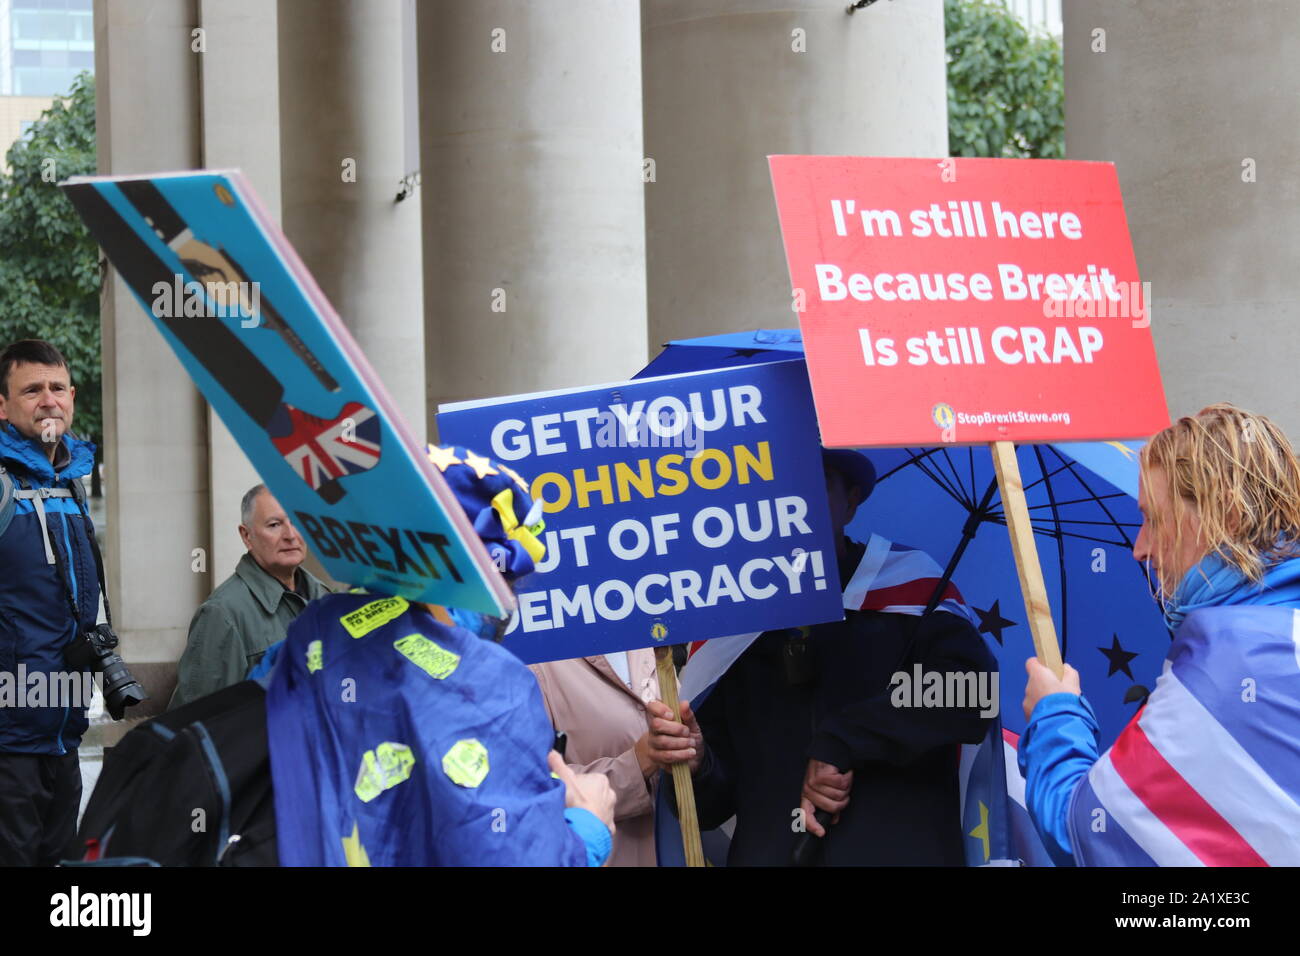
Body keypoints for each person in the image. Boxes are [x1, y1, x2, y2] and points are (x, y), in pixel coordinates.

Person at [263, 445, 617, 866]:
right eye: (512, 579)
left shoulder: (302, 641)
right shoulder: (491, 684)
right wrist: (590, 824)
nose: (513, 600)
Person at [647, 449, 996, 865]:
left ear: (850, 502)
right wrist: (698, 763)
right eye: (780, 483)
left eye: (815, 482)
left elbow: (972, 693)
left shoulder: (915, 589)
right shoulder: (730, 616)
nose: (795, 500)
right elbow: (707, 809)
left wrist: (844, 740)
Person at [1020, 403, 1300, 866]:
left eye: (1154, 518)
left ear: (1226, 515)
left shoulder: (1233, 656)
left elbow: (1089, 838)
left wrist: (1053, 717)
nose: (1139, 548)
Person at [0, 340, 101, 865]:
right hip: (9, 741)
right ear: (3, 405)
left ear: (72, 397)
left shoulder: (71, 486)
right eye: (31, 389)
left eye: (57, 388)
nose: (48, 400)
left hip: (64, 730)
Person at [169, 484, 330, 709]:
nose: (291, 535)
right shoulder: (223, 613)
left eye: (297, 522)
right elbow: (195, 718)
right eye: (275, 525)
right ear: (247, 536)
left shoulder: (323, 596)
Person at [529, 648, 661, 865]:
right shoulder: (535, 658)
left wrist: (695, 754)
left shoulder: (643, 634)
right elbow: (527, 788)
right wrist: (636, 765)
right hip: (596, 855)